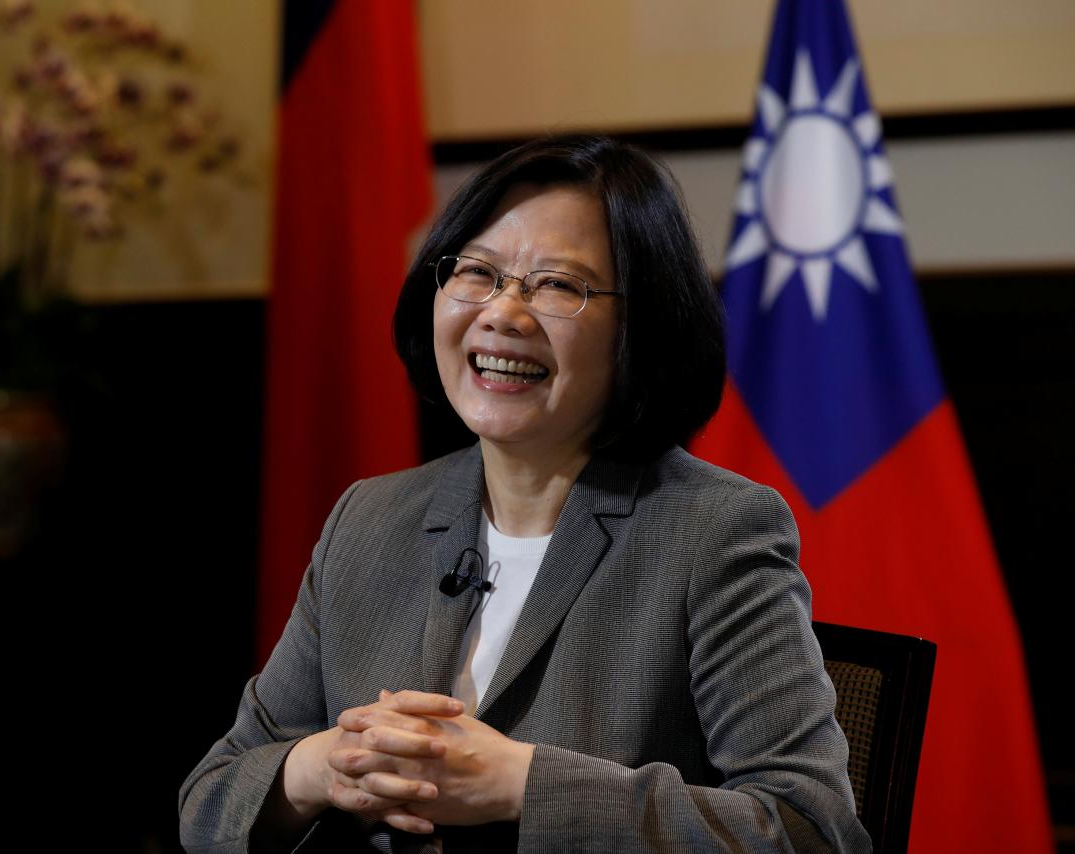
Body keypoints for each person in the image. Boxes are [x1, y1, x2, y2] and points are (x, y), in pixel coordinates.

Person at [179, 135, 870, 853]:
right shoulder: (370, 518)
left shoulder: (716, 530)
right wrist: (319, 767)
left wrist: (524, 783)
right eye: (477, 273)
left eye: (559, 286)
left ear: (641, 329)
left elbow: (808, 828)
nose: (504, 314)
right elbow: (210, 802)